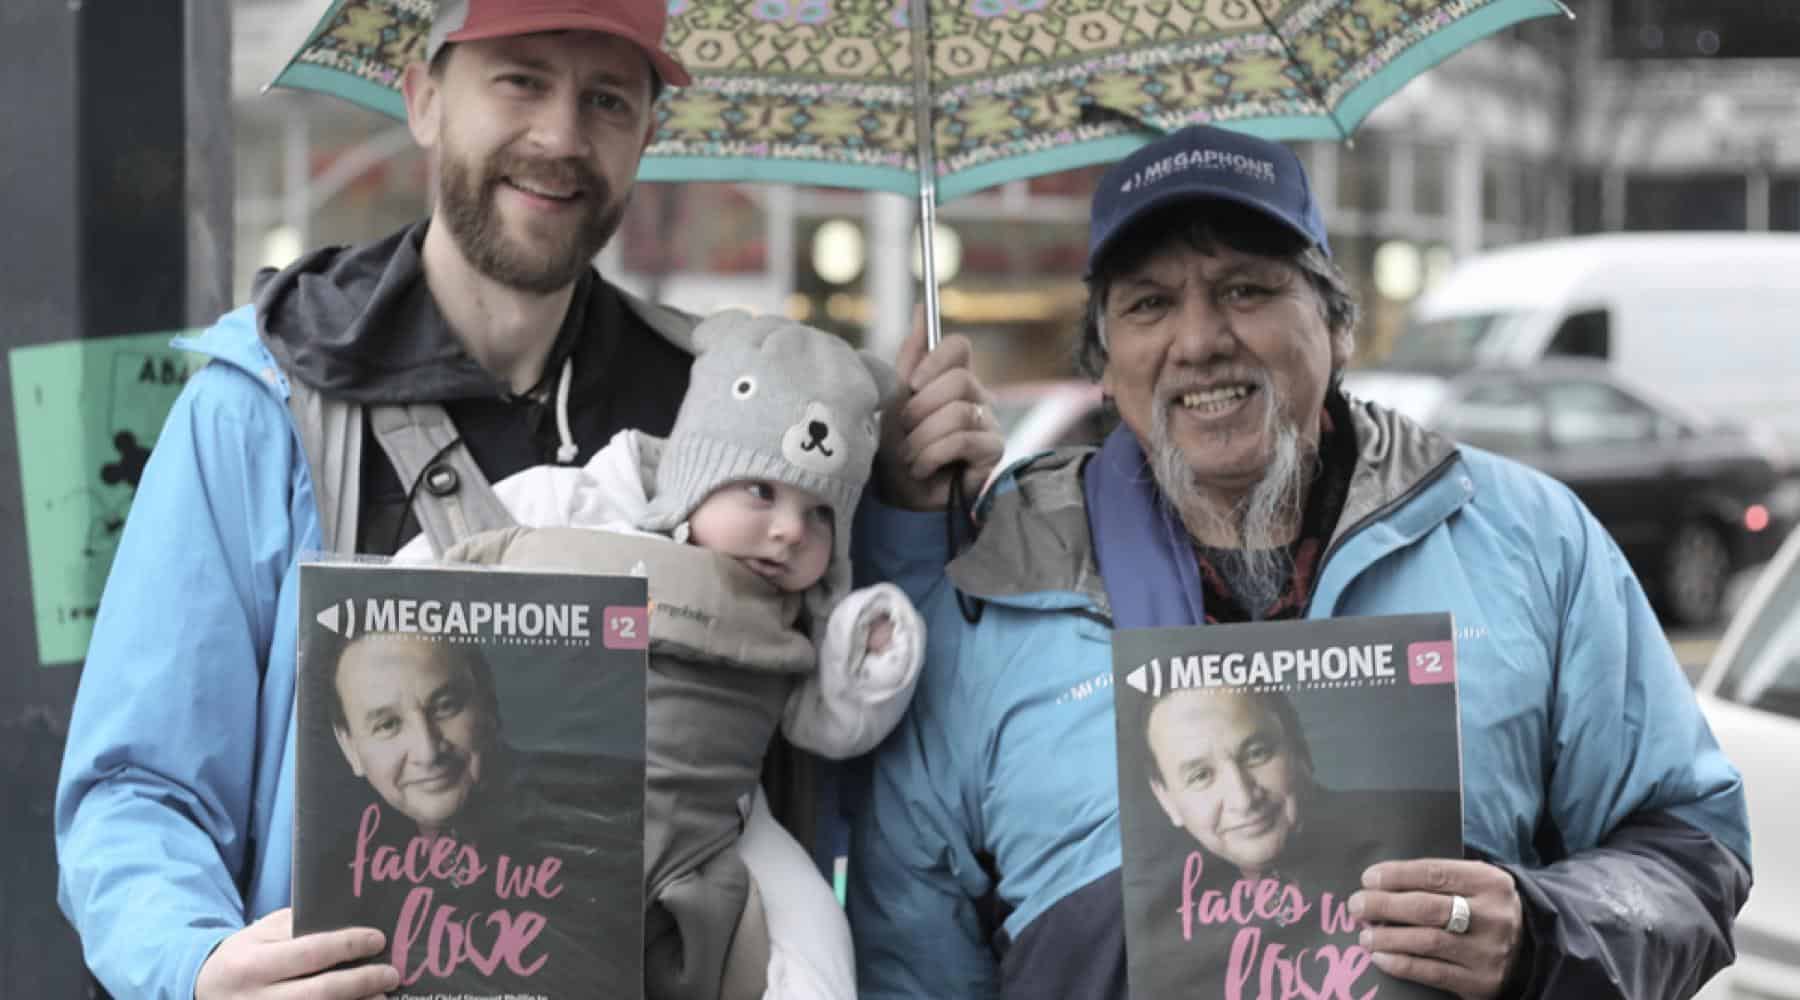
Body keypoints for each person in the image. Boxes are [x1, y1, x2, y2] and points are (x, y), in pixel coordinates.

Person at [52, 2, 1002, 998]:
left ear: (646, 136)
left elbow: (833, 761)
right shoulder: (267, 406)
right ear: (422, 98)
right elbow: (137, 787)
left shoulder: (714, 416)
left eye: (605, 99)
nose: (560, 138)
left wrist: (897, 519)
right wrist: (195, 961)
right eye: (520, 81)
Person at [846, 123, 1752, 1000]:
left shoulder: (1528, 541)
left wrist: (1542, 934)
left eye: (1245, 289)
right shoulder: (996, 585)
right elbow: (909, 947)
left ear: (1337, 325)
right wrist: (898, 519)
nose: (1199, 340)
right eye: (1149, 303)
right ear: (1105, 357)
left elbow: (1691, 852)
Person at [410, 310, 928, 999]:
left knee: (816, 936)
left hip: (724, 817)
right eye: (760, 491)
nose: (786, 532)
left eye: (820, 515)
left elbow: (826, 724)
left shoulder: (795, 615)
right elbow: (452, 558)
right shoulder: (590, 507)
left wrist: (873, 656)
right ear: (694, 475)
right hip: (555, 795)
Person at [1139, 686, 1458, 896]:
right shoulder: (1156, 904)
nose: (1243, 799)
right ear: (1166, 800)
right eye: (1200, 775)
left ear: (1299, 749)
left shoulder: (1429, 831)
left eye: (1257, 754)